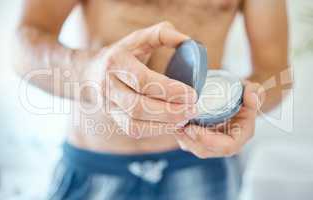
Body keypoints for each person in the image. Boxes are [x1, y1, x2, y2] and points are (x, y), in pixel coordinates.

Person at [15, 0, 290, 199]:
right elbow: (23, 42)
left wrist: (242, 104)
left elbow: (275, 71)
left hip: (202, 167)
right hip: (95, 163)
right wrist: (89, 72)